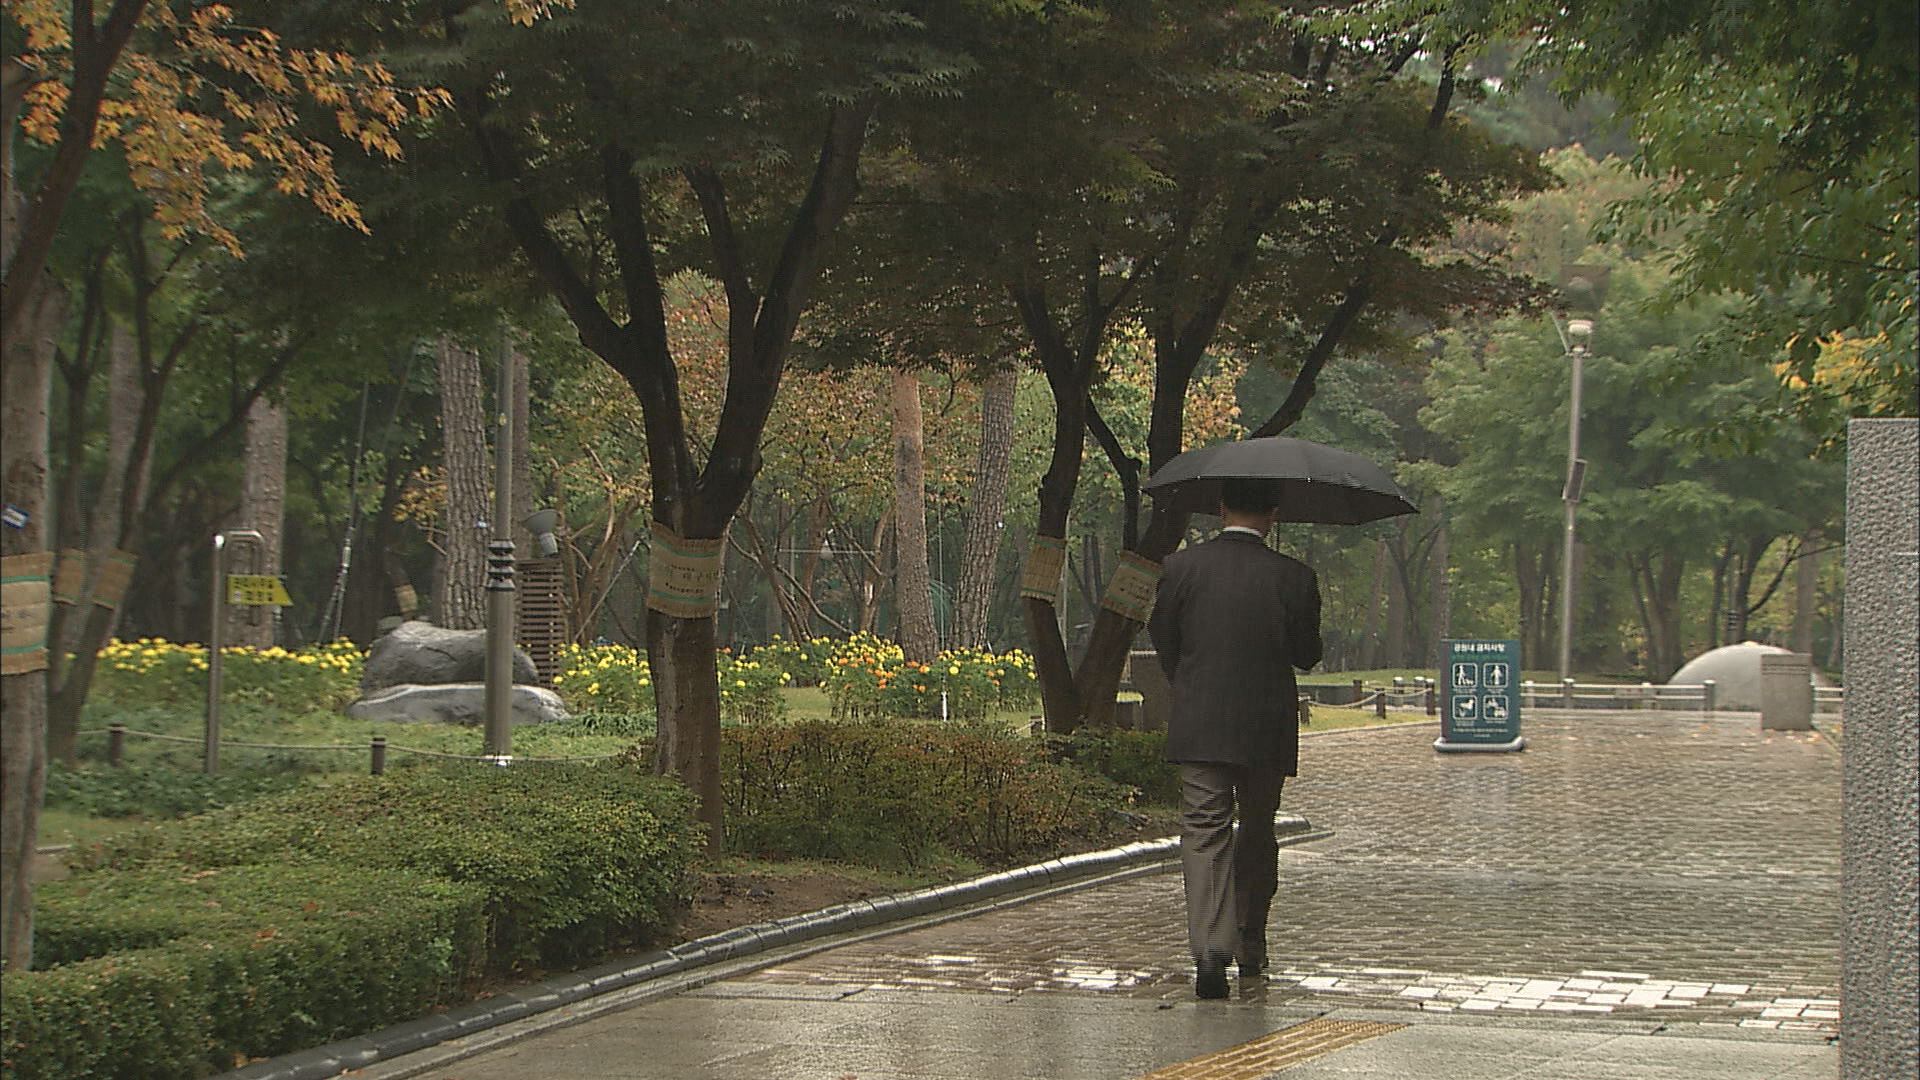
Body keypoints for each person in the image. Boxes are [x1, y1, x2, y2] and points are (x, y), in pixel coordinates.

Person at [1146, 477, 1323, 1000]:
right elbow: (1307, 654)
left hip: (1201, 721)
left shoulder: (1180, 568)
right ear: (1273, 514)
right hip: (1266, 727)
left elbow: (1164, 638)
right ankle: (1251, 939)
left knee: (1204, 829)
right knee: (1258, 829)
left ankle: (1210, 950)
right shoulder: (1294, 576)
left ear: (1220, 508)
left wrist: (1191, 683)